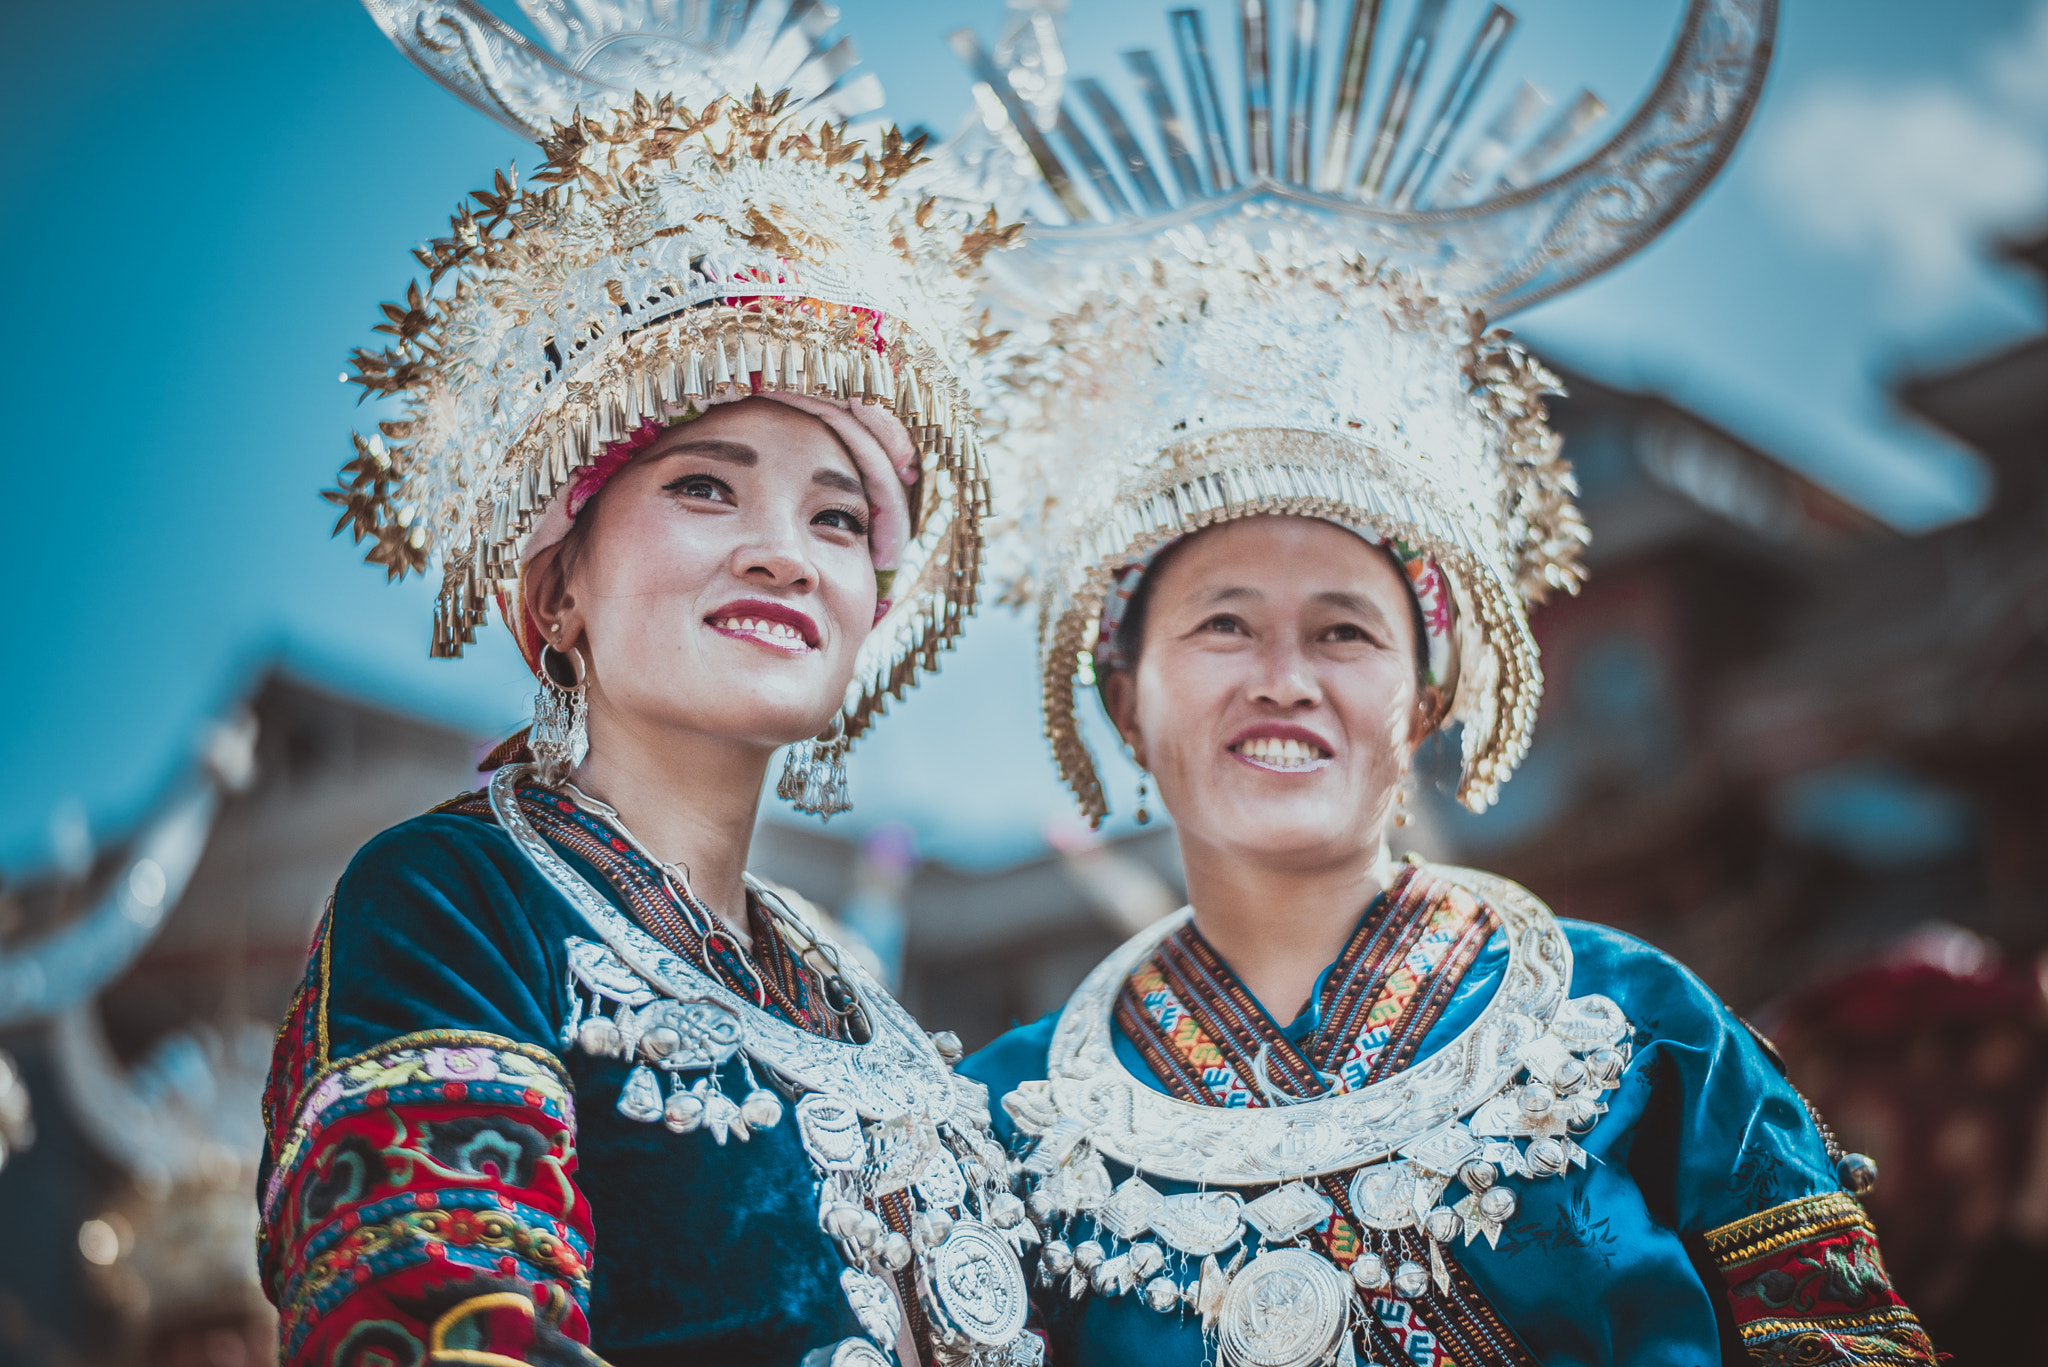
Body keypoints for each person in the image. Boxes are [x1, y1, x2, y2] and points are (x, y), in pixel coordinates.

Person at [953, 0, 1933, 1361]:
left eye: (1346, 632)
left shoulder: (1641, 1026)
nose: (1284, 680)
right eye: (1224, 627)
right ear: (1126, 695)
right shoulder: (1003, 1119)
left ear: (1426, 694)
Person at [256, 8, 1038, 1367]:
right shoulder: (453, 904)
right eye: (703, 486)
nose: (781, 552)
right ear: (557, 581)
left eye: (841, 519)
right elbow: (442, 1328)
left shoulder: (882, 1022)